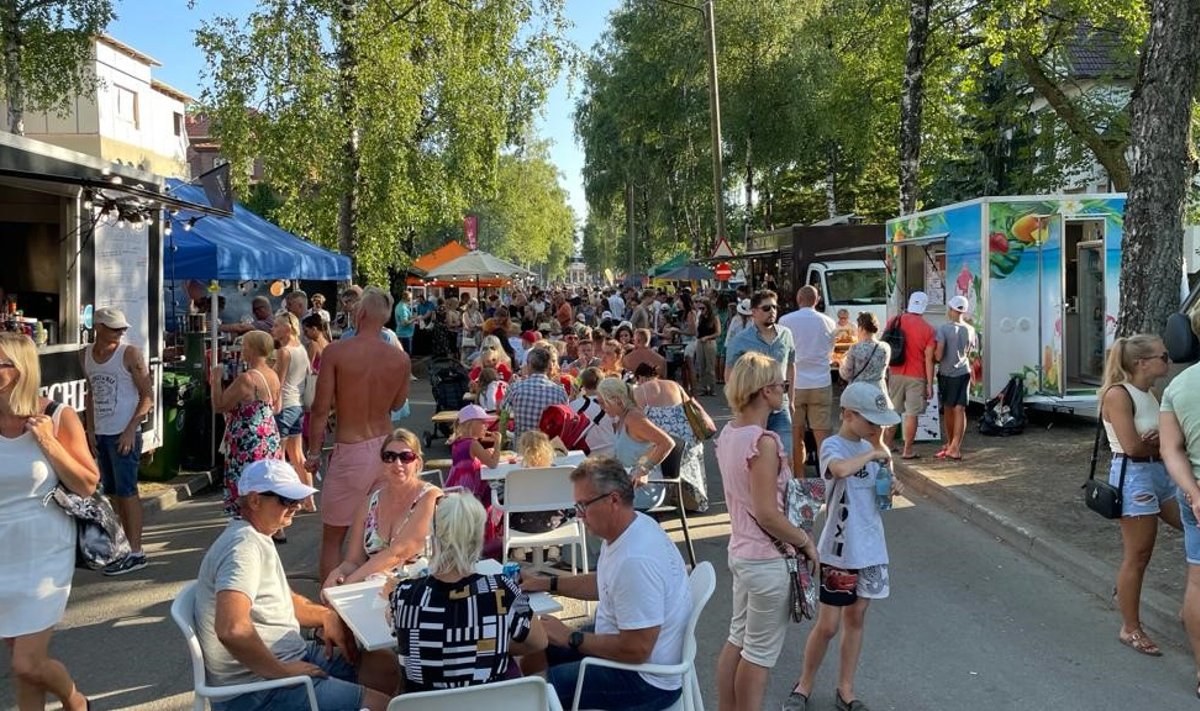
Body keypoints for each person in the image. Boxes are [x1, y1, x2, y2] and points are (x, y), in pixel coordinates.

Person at [194, 459, 395, 710]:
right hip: (259, 688)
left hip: (288, 659)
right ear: (255, 500)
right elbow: (232, 629)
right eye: (287, 500)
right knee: (384, 705)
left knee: (382, 664)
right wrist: (283, 673)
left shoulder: (256, 536)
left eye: (297, 499)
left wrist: (326, 616)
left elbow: (285, 601)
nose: (297, 507)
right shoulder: (242, 549)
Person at [520, 456, 691, 710]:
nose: (579, 516)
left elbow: (637, 650)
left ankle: (541, 703)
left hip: (645, 679)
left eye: (583, 506)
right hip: (632, 655)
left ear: (613, 499)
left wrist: (571, 637)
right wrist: (546, 584)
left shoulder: (635, 559)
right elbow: (606, 584)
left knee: (534, 692)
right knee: (537, 645)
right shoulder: (633, 526)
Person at [785, 382, 900, 711]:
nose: (876, 428)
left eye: (880, 422)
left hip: (870, 547)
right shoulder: (833, 445)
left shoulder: (875, 449)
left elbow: (880, 499)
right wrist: (874, 452)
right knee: (828, 624)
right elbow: (836, 470)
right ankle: (804, 684)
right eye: (871, 421)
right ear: (848, 415)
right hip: (839, 548)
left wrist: (891, 485)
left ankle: (846, 689)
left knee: (857, 617)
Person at [0, 332, 99, 711]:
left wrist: (49, 443)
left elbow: (88, 484)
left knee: (25, 661)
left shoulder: (56, 416)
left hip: (43, 547)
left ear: (22, 369)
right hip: (3, 548)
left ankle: (76, 701)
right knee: (24, 667)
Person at [715, 352, 819, 711]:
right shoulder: (764, 443)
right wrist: (805, 542)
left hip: (742, 551)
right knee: (758, 654)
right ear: (765, 391)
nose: (785, 390)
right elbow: (767, 512)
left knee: (738, 640)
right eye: (781, 385)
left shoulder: (730, 433)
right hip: (766, 558)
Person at [388, 492, 547, 692]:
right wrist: (488, 648)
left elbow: (395, 626)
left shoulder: (404, 594)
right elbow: (539, 642)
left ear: (435, 536)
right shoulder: (501, 591)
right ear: (478, 538)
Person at [306, 286, 412, 583]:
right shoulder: (399, 359)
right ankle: (371, 603)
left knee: (333, 538)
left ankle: (330, 616)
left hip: (351, 449)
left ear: (361, 313)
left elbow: (319, 408)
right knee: (379, 537)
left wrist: (314, 453)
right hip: (388, 450)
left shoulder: (336, 352)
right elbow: (398, 403)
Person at [1100, 335, 1179, 656]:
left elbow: (1159, 439)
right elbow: (1131, 446)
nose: (1169, 361)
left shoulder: (1151, 393)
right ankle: (1130, 627)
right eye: (1164, 356)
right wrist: (1161, 443)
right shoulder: (1118, 394)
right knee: (1139, 554)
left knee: (1192, 528)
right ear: (1141, 363)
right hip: (1134, 477)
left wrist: (1160, 439)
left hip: (1160, 473)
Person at [83, 306, 154, 575]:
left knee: (127, 491)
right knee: (112, 492)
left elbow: (147, 395)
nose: (121, 332)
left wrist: (130, 429)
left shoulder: (130, 354)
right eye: (115, 328)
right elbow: (90, 392)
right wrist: (90, 430)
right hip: (101, 432)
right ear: (98, 327)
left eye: (122, 328)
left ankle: (136, 551)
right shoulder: (87, 354)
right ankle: (125, 546)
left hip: (123, 433)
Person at [324, 429, 441, 589]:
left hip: (420, 590)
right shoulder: (369, 504)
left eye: (406, 457)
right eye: (389, 457)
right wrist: (338, 574)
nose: (397, 464)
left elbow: (398, 553)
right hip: (374, 590)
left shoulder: (430, 497)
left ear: (418, 463)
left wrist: (348, 585)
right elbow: (353, 561)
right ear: (382, 462)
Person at [1160, 311, 1200, 697]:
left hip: (1196, 496)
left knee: (1197, 582)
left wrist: (1193, 491)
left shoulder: (1178, 386)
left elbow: (1170, 451)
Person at [211, 331, 284, 521]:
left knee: (246, 481)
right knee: (266, 480)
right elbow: (277, 407)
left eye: (244, 345)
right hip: (269, 435)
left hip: (247, 438)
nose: (241, 349)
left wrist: (215, 380)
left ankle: (247, 522)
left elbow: (219, 405)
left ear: (251, 349)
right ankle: (274, 524)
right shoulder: (273, 375)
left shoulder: (248, 379)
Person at [726, 290, 796, 456]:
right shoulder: (740, 340)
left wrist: (792, 399)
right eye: (766, 308)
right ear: (754, 312)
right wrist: (738, 405)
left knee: (785, 457)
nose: (772, 311)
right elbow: (729, 375)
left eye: (774, 307)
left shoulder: (786, 335)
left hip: (780, 405)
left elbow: (791, 367)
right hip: (753, 406)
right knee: (753, 456)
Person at [633, 364, 709, 512]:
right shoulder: (674, 385)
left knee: (640, 449)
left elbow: (636, 419)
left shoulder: (640, 391)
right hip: (687, 442)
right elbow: (690, 406)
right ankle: (691, 499)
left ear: (640, 378)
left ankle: (654, 497)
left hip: (664, 446)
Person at [779, 286, 836, 476]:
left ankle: (800, 480)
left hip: (794, 385)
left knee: (796, 437)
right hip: (821, 382)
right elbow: (830, 351)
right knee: (823, 438)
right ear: (817, 299)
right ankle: (826, 479)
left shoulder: (785, 321)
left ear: (798, 298)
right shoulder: (829, 322)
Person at [598, 377, 674, 511]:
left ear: (617, 400)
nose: (602, 408)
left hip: (643, 488)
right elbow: (643, 451)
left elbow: (667, 443)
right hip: (628, 483)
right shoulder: (622, 418)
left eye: (603, 403)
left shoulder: (634, 418)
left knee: (594, 503)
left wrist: (644, 469)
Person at [885, 291, 936, 460]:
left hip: (895, 372)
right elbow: (929, 359)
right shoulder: (928, 329)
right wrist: (929, 384)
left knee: (893, 411)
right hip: (917, 376)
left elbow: (884, 344)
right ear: (924, 307)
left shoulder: (894, 320)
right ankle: (907, 450)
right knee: (911, 414)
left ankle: (886, 445)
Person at [272, 311, 313, 510]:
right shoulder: (302, 349)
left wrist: (273, 406)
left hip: (283, 405)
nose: (273, 329)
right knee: (298, 456)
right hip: (297, 405)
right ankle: (309, 500)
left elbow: (277, 383)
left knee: (279, 457)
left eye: (276, 325)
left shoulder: (284, 351)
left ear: (287, 328)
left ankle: (285, 502)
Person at [838, 312, 892, 450]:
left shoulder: (855, 348)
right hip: (878, 391)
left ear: (861, 328)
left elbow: (846, 374)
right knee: (878, 438)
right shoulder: (885, 347)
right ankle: (883, 466)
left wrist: (841, 363)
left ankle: (863, 465)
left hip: (859, 395)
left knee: (859, 436)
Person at [934, 295, 977, 460]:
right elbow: (970, 353)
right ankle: (955, 446)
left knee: (948, 409)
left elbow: (939, 355)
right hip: (963, 372)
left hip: (946, 373)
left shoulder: (943, 329)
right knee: (960, 409)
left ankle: (950, 443)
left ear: (951, 309)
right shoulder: (970, 329)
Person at [501, 346, 568, 440]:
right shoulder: (560, 392)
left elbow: (504, 417)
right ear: (549, 366)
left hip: (521, 448)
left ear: (530, 365)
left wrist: (501, 443)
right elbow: (565, 424)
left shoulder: (515, 388)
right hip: (547, 449)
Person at [445, 405, 502, 508]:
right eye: (483, 423)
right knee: (494, 494)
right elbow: (493, 464)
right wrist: (497, 443)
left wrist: (483, 454)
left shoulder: (458, 441)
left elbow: (469, 461)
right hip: (468, 494)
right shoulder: (472, 443)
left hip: (455, 489)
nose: (487, 426)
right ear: (471, 425)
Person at [570, 367, 616, 456]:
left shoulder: (573, 405)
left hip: (582, 454)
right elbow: (617, 429)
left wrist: (572, 395)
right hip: (608, 451)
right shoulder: (611, 404)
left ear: (583, 384)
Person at [694, 299, 722, 395]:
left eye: (703, 308)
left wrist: (707, 337)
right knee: (701, 366)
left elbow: (718, 332)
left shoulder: (714, 317)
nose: (701, 310)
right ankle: (703, 387)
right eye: (700, 308)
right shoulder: (700, 317)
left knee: (710, 367)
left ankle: (712, 388)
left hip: (709, 342)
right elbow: (697, 330)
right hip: (700, 342)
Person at [393, 290, 417, 355]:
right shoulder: (402, 308)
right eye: (411, 298)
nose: (411, 299)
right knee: (406, 356)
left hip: (404, 334)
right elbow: (404, 323)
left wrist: (412, 317)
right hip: (404, 335)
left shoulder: (401, 306)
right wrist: (414, 319)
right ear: (407, 298)